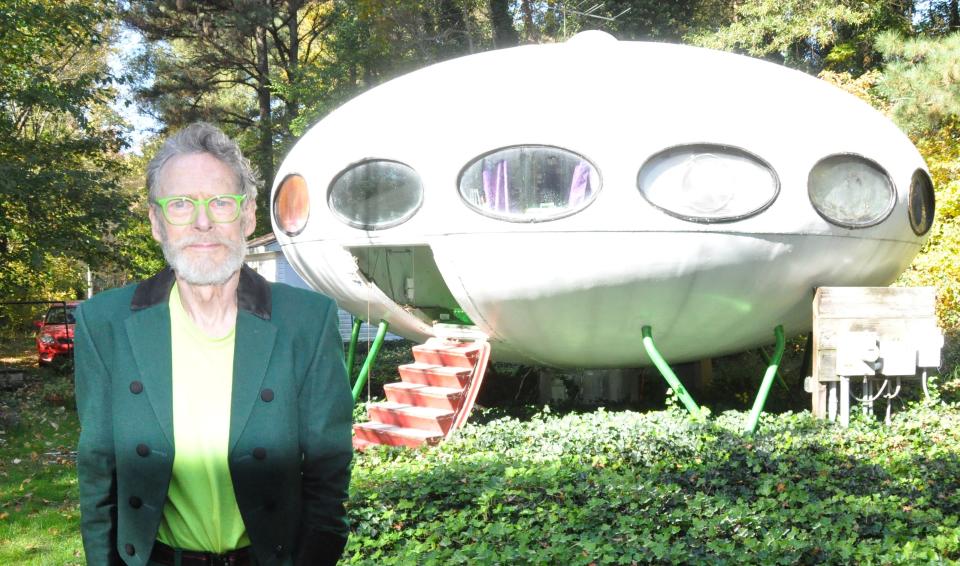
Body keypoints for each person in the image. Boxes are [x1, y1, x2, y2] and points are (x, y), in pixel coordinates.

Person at [74, 122, 353, 566]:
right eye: (181, 204)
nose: (203, 222)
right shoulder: (103, 324)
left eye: (221, 202)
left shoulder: (307, 321)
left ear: (247, 217)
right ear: (156, 223)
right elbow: (98, 473)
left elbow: (328, 473)